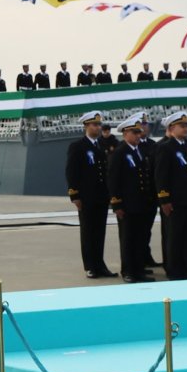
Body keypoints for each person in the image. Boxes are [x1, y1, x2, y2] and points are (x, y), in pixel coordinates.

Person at [153, 111, 187, 280]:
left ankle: (186, 267)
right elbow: (161, 175)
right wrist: (164, 199)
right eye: (182, 126)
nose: (186, 129)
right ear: (172, 128)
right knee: (174, 237)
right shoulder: (165, 147)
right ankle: (174, 270)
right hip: (174, 201)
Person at [107, 114, 156, 283]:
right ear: (125, 133)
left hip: (142, 203)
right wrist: (117, 203)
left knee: (141, 238)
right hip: (127, 205)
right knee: (128, 239)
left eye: (139, 132)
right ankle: (128, 270)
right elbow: (113, 180)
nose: (138, 135)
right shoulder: (119, 152)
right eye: (135, 132)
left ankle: (139, 269)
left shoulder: (139, 151)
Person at [66, 111, 115, 279]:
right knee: (88, 232)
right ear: (86, 126)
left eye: (99, 124)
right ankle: (90, 266)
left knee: (100, 232)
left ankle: (100, 265)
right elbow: (71, 172)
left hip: (101, 196)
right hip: (86, 197)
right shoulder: (78, 146)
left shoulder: (102, 145)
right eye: (94, 124)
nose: (98, 127)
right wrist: (75, 195)